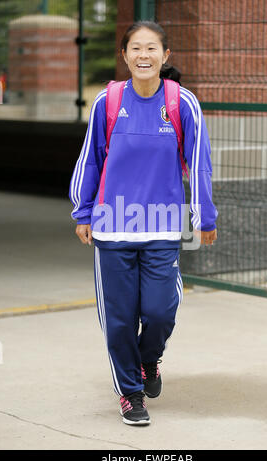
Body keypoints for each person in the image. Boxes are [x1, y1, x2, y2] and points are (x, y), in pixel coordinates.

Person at [69, 21, 218, 426]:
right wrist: (82, 211)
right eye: (136, 48)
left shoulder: (182, 103)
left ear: (165, 56)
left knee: (160, 310)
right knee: (118, 319)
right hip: (112, 227)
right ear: (125, 55)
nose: (144, 55)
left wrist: (205, 215)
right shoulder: (108, 101)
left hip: (162, 227)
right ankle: (130, 393)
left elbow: (200, 163)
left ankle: (148, 358)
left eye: (152, 48)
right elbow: (90, 160)